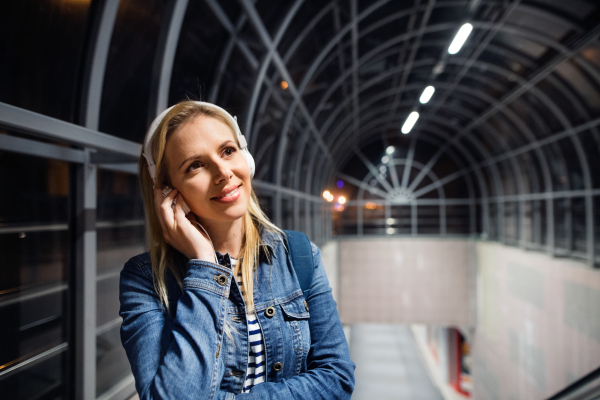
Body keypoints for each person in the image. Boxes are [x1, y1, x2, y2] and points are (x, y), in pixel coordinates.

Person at [119, 100, 355, 399]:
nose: (223, 172)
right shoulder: (144, 280)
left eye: (228, 151)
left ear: (246, 158)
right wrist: (204, 266)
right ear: (167, 191)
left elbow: (337, 377)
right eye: (195, 165)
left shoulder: (297, 255)